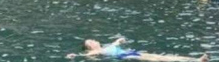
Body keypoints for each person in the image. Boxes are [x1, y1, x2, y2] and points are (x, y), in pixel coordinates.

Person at [67, 38, 208, 61]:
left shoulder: (105, 47)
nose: (93, 40)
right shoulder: (94, 51)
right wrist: (74, 56)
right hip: (126, 57)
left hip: (129, 53)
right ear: (90, 46)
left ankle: (195, 59)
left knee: (160, 56)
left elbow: (114, 45)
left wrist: (119, 40)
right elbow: (84, 56)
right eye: (90, 41)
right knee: (158, 59)